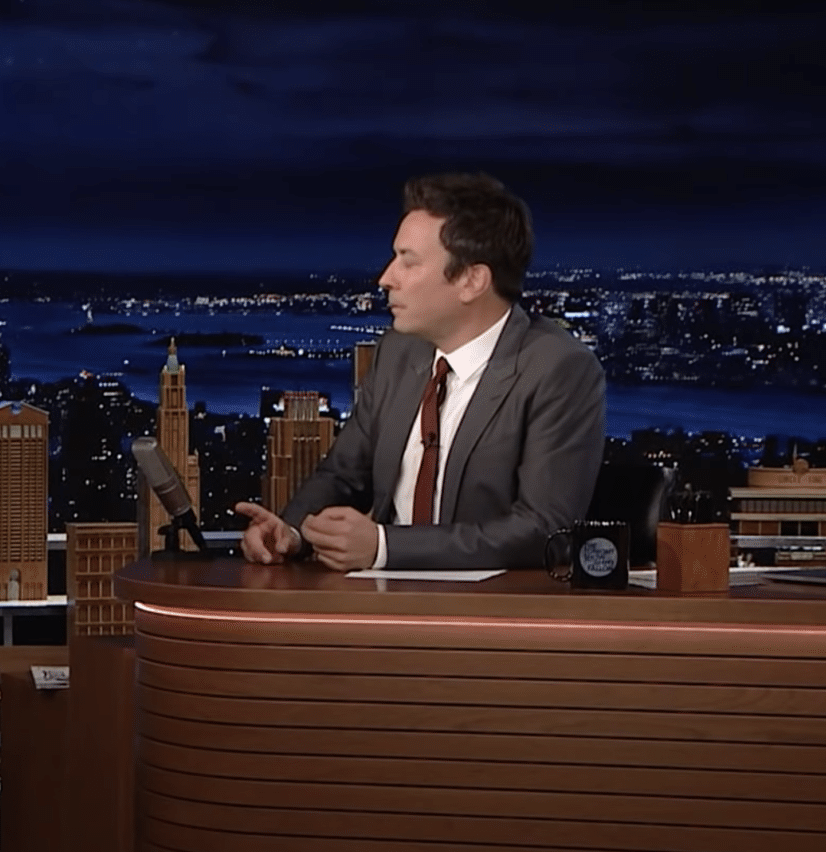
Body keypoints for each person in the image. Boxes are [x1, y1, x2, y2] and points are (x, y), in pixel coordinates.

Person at [236, 173, 606, 571]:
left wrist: (385, 547)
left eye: (408, 262)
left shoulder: (558, 368)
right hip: (379, 600)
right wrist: (291, 532)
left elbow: (545, 529)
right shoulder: (396, 352)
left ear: (471, 280)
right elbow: (344, 475)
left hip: (492, 605)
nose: (385, 278)